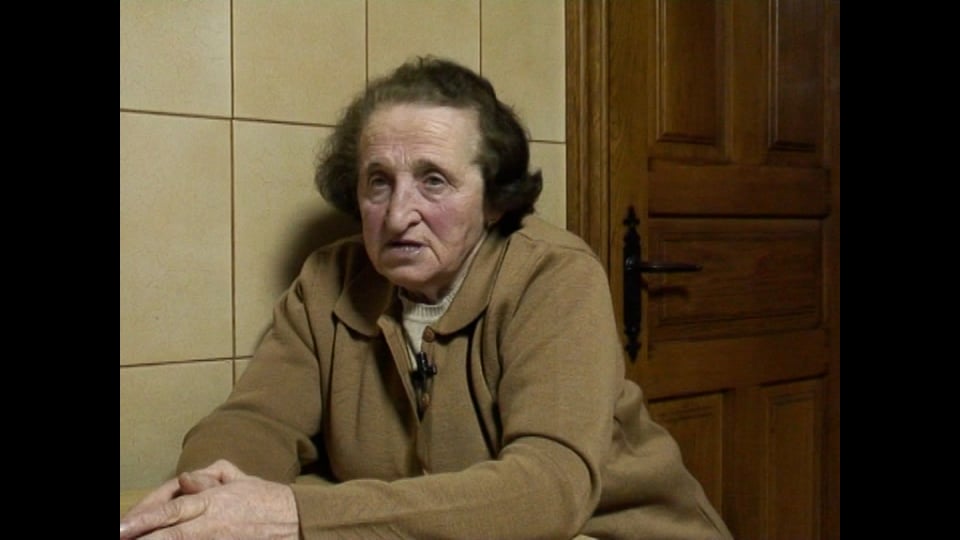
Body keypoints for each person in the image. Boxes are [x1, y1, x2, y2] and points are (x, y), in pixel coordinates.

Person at [119, 56, 733, 540]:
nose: (397, 215)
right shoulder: (329, 278)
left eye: (433, 181)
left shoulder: (553, 275)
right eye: (378, 182)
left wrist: (297, 515)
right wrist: (211, 492)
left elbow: (549, 488)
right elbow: (256, 420)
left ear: (494, 200)